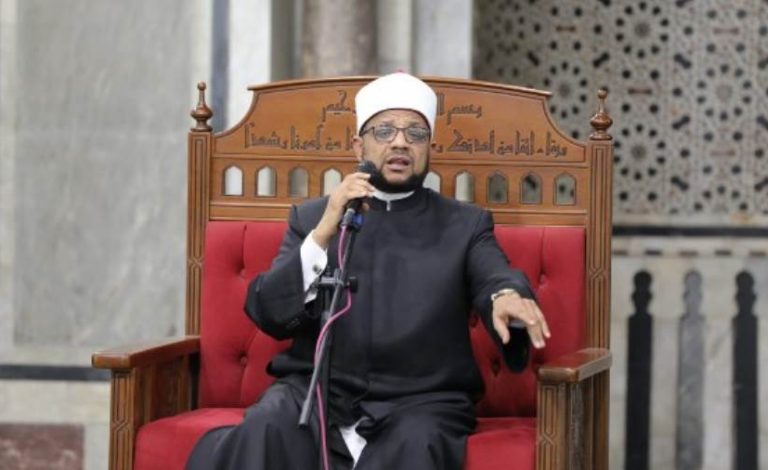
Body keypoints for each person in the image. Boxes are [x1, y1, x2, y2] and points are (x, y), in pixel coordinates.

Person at [186, 72, 550, 470]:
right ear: (359, 145)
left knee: (419, 443)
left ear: (430, 148)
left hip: (422, 399)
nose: (400, 142)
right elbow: (270, 311)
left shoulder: (465, 224)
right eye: (384, 131)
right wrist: (324, 231)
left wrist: (506, 296)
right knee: (268, 424)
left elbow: (494, 274)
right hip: (318, 391)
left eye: (415, 133)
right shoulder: (313, 218)